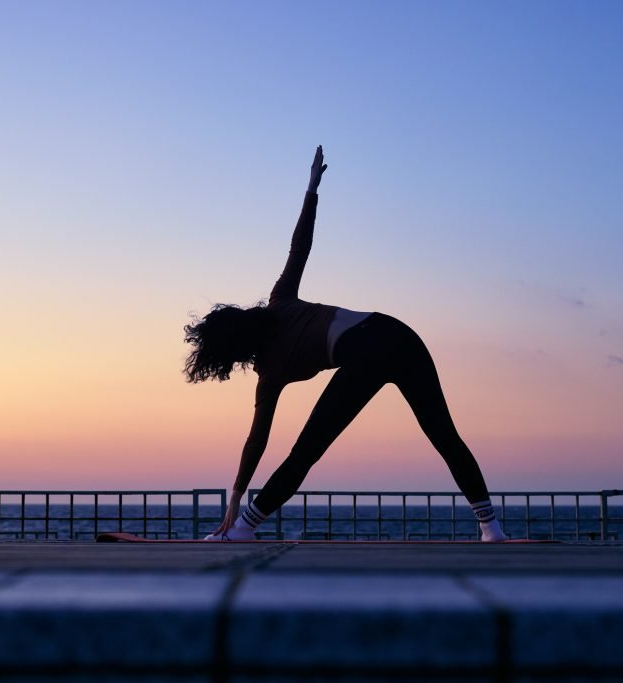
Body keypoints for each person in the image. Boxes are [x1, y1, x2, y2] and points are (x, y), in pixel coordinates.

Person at [183, 146, 507, 543]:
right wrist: (311, 189)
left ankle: (243, 529)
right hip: (398, 334)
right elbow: (298, 248)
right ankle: (490, 527)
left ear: (228, 355)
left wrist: (235, 499)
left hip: (367, 352)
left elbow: (257, 441)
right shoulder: (279, 301)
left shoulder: (270, 371)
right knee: (443, 436)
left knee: (306, 451)